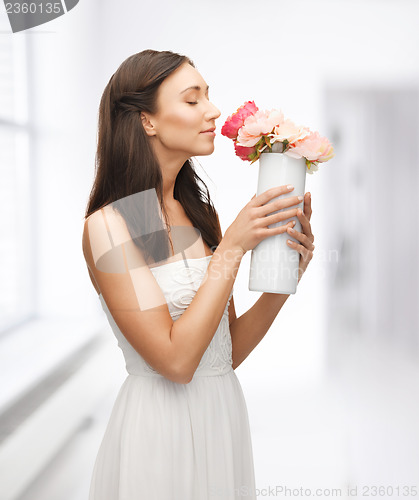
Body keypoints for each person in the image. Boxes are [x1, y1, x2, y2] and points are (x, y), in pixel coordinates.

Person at [82, 49, 314, 500]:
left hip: (220, 417)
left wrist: (284, 282)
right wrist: (230, 251)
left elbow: (223, 354)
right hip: (159, 435)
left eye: (209, 95)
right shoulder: (108, 226)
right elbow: (175, 362)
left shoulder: (198, 212)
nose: (213, 110)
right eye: (193, 100)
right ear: (147, 120)